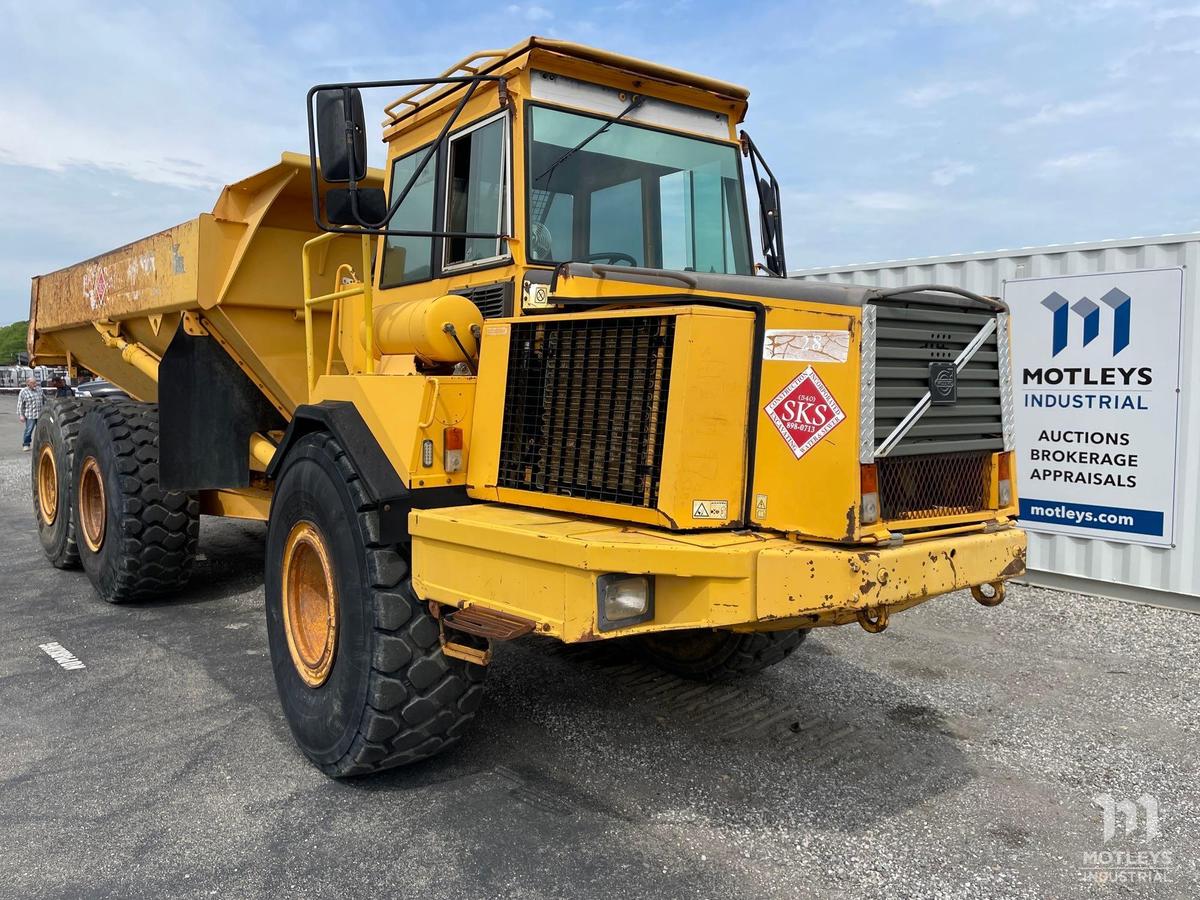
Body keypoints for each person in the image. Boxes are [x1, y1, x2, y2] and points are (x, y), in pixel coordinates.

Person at [17, 377, 45, 452]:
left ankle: (41, 444)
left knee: (41, 430)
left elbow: (44, 400)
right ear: (28, 384)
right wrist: (21, 415)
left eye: (35, 382)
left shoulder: (39, 389)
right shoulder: (23, 392)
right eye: (33, 383)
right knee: (29, 430)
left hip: (40, 414)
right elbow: (20, 405)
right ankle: (26, 444)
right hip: (30, 415)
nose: (35, 384)